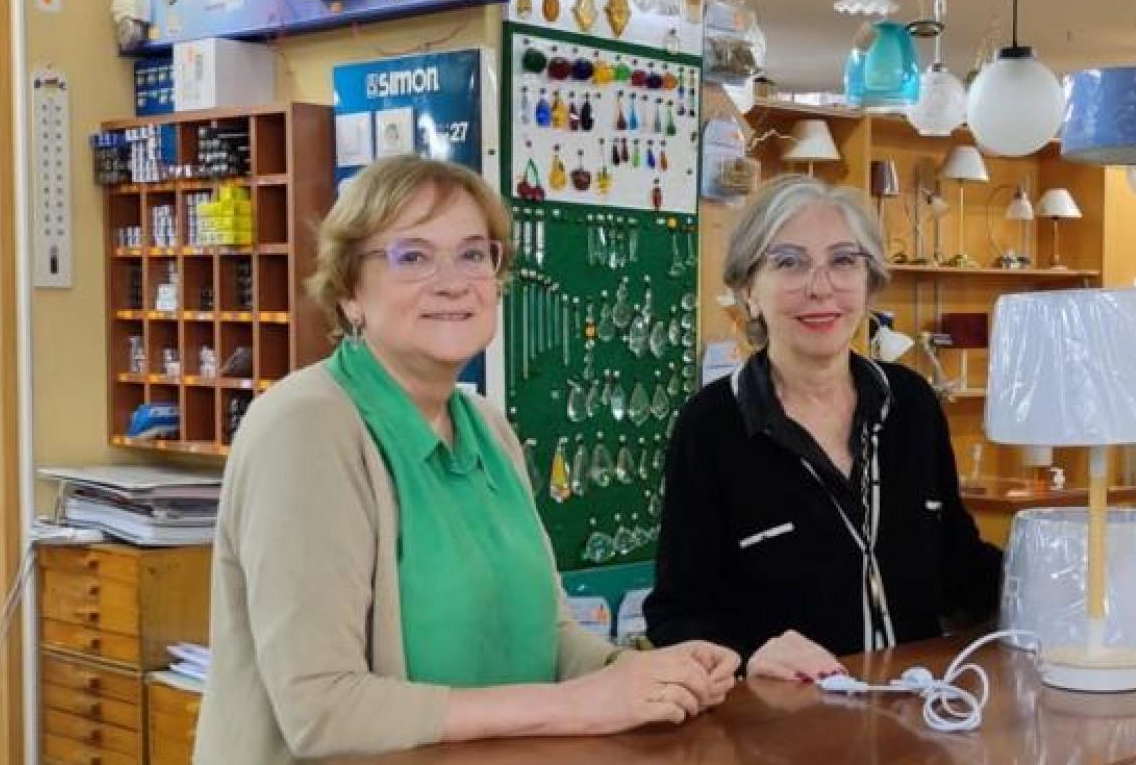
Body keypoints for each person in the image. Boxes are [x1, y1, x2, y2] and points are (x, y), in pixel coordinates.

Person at [196, 156, 738, 763]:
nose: (453, 282)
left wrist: (645, 672)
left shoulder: (486, 428)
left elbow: (548, 637)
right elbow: (321, 709)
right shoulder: (306, 428)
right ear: (350, 291)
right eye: (413, 256)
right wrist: (580, 706)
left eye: (474, 254)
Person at [645, 175, 1004, 682]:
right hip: (784, 734)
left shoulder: (911, 404)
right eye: (789, 262)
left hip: (917, 723)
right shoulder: (713, 426)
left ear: (869, 281)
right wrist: (749, 656)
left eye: (843, 261)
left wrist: (1066, 570)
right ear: (748, 291)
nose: (821, 287)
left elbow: (958, 569)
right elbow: (676, 615)